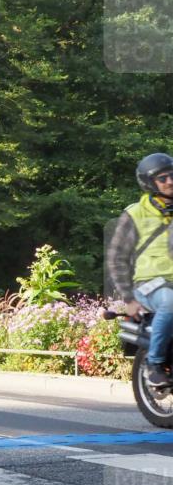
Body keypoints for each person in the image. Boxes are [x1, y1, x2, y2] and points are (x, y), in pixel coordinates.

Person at [106, 152, 173, 388]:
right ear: (149, 183)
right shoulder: (135, 214)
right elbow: (116, 258)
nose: (170, 181)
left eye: (172, 175)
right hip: (149, 284)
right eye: (162, 178)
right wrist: (128, 298)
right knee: (170, 302)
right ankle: (154, 363)